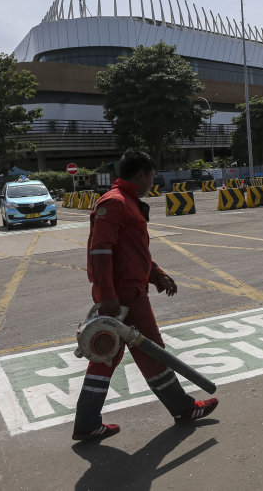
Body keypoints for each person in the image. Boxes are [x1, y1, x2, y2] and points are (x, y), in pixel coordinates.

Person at [72, 149, 219, 441]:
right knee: (152, 349)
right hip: (124, 295)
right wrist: (108, 295)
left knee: (107, 354)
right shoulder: (115, 203)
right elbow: (100, 252)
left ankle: (87, 422)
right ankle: (182, 408)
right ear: (141, 175)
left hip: (127, 290)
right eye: (152, 175)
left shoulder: (127, 202)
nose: (154, 181)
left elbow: (133, 252)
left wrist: (156, 274)